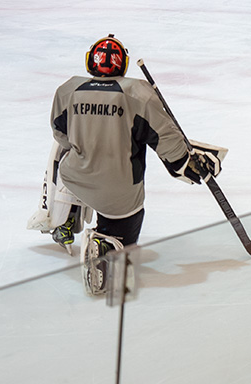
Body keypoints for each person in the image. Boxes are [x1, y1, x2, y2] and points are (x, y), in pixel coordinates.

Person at [45, 35, 223, 295]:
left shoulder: (68, 89)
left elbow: (60, 134)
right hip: (120, 194)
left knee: (62, 152)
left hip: (76, 177)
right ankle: (106, 243)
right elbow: (169, 145)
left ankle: (64, 214)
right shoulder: (138, 93)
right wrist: (188, 163)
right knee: (124, 238)